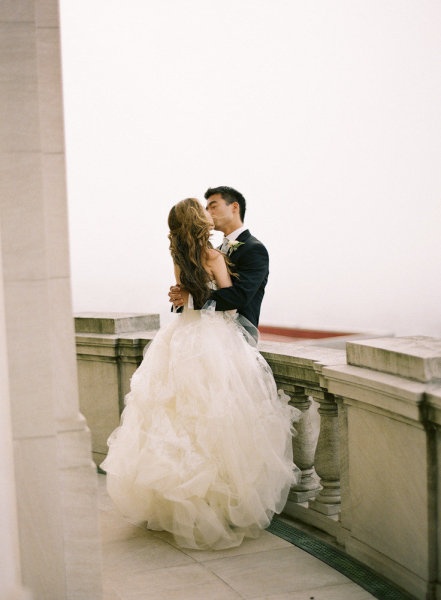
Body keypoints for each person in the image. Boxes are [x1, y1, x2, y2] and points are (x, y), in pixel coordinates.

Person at [101, 198, 300, 550]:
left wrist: (186, 295)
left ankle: (178, 504)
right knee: (220, 419)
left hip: (181, 337)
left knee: (177, 420)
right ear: (198, 220)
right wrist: (193, 295)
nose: (209, 214)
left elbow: (184, 300)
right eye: (204, 209)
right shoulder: (213, 256)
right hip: (212, 338)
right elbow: (230, 299)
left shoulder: (178, 256)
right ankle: (218, 504)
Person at [169, 186, 269, 332]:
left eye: (213, 206)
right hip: (199, 329)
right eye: (205, 209)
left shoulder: (254, 249)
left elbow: (239, 297)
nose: (209, 212)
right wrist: (178, 298)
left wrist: (190, 298)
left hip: (236, 334)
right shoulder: (210, 252)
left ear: (234, 207)